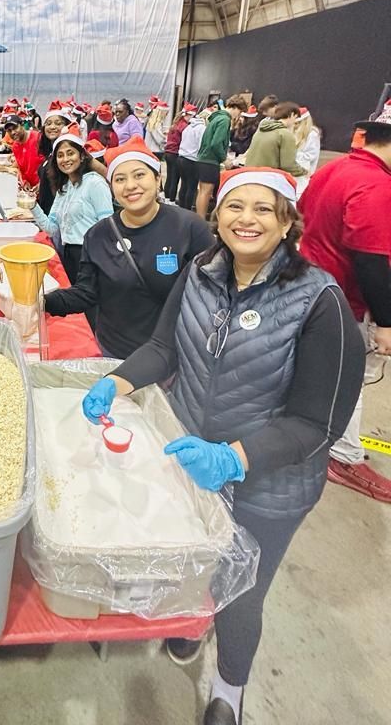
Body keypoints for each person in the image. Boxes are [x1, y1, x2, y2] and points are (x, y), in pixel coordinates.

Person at [82, 167, 364, 725]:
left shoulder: (319, 302)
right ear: (219, 218)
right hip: (191, 455)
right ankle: (192, 621)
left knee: (242, 592)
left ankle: (229, 692)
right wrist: (117, 380)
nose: (247, 219)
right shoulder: (200, 273)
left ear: (288, 222)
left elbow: (317, 422)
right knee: (194, 562)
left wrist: (234, 457)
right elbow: (164, 347)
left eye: (264, 209)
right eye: (236, 207)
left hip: (269, 481)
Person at [44, 137, 211, 357]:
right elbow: (86, 292)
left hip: (172, 355)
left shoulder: (189, 227)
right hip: (115, 352)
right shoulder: (98, 235)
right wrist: (42, 301)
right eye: (120, 179)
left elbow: (211, 294)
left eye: (139, 175)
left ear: (158, 178)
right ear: (112, 187)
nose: (130, 185)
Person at [299, 117, 391, 502]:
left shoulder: (334, 168)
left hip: (313, 284)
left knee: (321, 371)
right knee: (350, 379)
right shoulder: (376, 185)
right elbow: (371, 261)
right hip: (343, 299)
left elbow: (302, 212)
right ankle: (344, 454)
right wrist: (386, 322)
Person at [19, 132, 113, 285]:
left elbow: (107, 227)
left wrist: (98, 260)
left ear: (82, 156)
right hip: (69, 254)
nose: (66, 159)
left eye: (70, 153)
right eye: (60, 155)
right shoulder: (65, 188)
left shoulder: (95, 183)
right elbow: (51, 229)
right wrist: (33, 206)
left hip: (90, 256)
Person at [194, 97, 241, 220]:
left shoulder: (216, 118)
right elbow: (216, 143)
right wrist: (224, 159)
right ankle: (202, 221)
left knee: (202, 192)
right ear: (235, 108)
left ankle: (199, 219)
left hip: (203, 158)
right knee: (206, 192)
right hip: (210, 160)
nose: (238, 115)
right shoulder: (225, 120)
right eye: (240, 112)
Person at [245, 101, 307, 180]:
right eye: (296, 118)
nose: (295, 122)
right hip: (268, 179)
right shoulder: (285, 134)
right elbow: (288, 165)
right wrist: (304, 172)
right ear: (291, 115)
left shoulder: (261, 130)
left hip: (248, 176)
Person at [163, 104, 196, 202]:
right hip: (176, 153)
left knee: (169, 177)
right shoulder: (184, 126)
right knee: (175, 178)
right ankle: (172, 200)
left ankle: (167, 197)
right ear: (189, 115)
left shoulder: (175, 123)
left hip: (168, 152)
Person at [177, 108, 208, 211]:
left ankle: (181, 208)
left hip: (182, 157)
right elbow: (201, 145)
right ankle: (187, 210)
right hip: (192, 160)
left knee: (184, 184)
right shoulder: (202, 128)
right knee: (191, 187)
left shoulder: (188, 127)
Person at [3, 114, 43, 190]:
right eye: (9, 131)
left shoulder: (37, 138)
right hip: (30, 189)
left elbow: (50, 163)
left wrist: (43, 182)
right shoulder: (15, 146)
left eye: (15, 128)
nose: (13, 132)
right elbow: (20, 168)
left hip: (44, 186)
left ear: (22, 125)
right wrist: (24, 181)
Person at [293, 107, 321, 197]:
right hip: (295, 171)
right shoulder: (294, 132)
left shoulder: (312, 135)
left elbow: (311, 155)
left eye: (297, 123)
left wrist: (292, 153)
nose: (295, 125)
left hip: (303, 173)